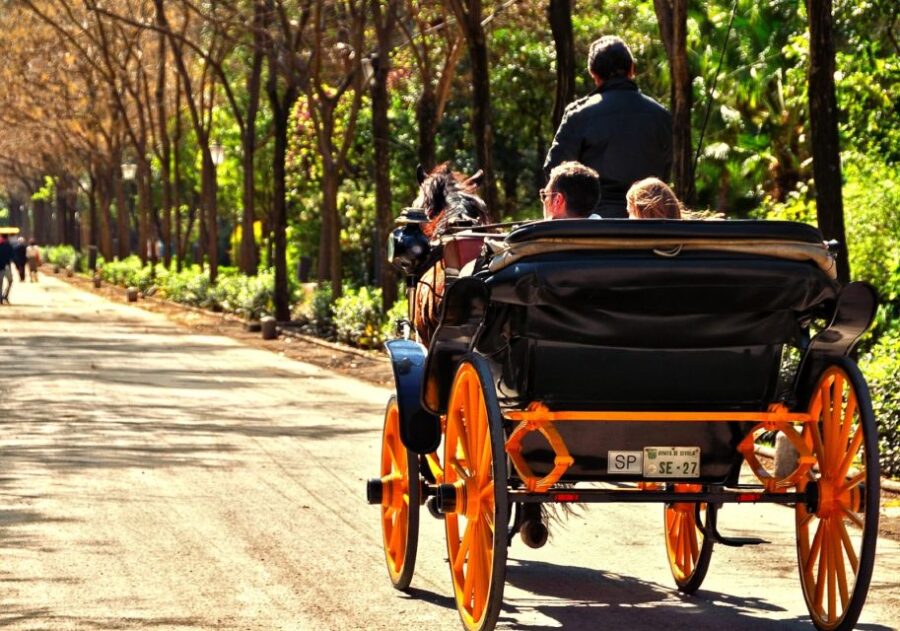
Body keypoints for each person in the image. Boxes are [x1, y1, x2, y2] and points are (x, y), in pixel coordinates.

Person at [544, 35, 672, 218]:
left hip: (595, 226)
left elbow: (554, 171)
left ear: (593, 74)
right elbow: (665, 172)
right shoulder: (661, 116)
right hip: (650, 223)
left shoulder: (579, 114)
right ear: (632, 69)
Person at [0, 234, 13, 304]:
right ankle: (4, 296)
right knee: (10, 281)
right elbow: (12, 256)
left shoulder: (8, 245)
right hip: (6, 267)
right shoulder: (9, 245)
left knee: (0, 284)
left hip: (3, 267)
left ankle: (2, 297)